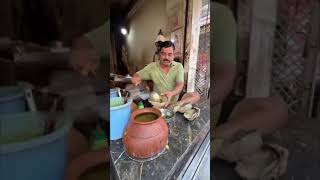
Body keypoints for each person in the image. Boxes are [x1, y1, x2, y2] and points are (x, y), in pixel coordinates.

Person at [212, 1, 288, 140]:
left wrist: (191, 105)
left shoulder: (217, 14)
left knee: (278, 109)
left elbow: (224, 76)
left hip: (205, 105)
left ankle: (214, 139)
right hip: (167, 109)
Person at [131, 40, 200, 107]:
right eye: (163, 54)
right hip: (158, 102)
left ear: (173, 55)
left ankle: (175, 105)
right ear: (159, 54)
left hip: (175, 99)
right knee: (135, 99)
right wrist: (135, 78)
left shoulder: (178, 66)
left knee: (196, 95)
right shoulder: (151, 67)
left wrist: (171, 93)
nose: (166, 57)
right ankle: (173, 107)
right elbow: (136, 75)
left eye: (170, 54)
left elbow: (180, 84)